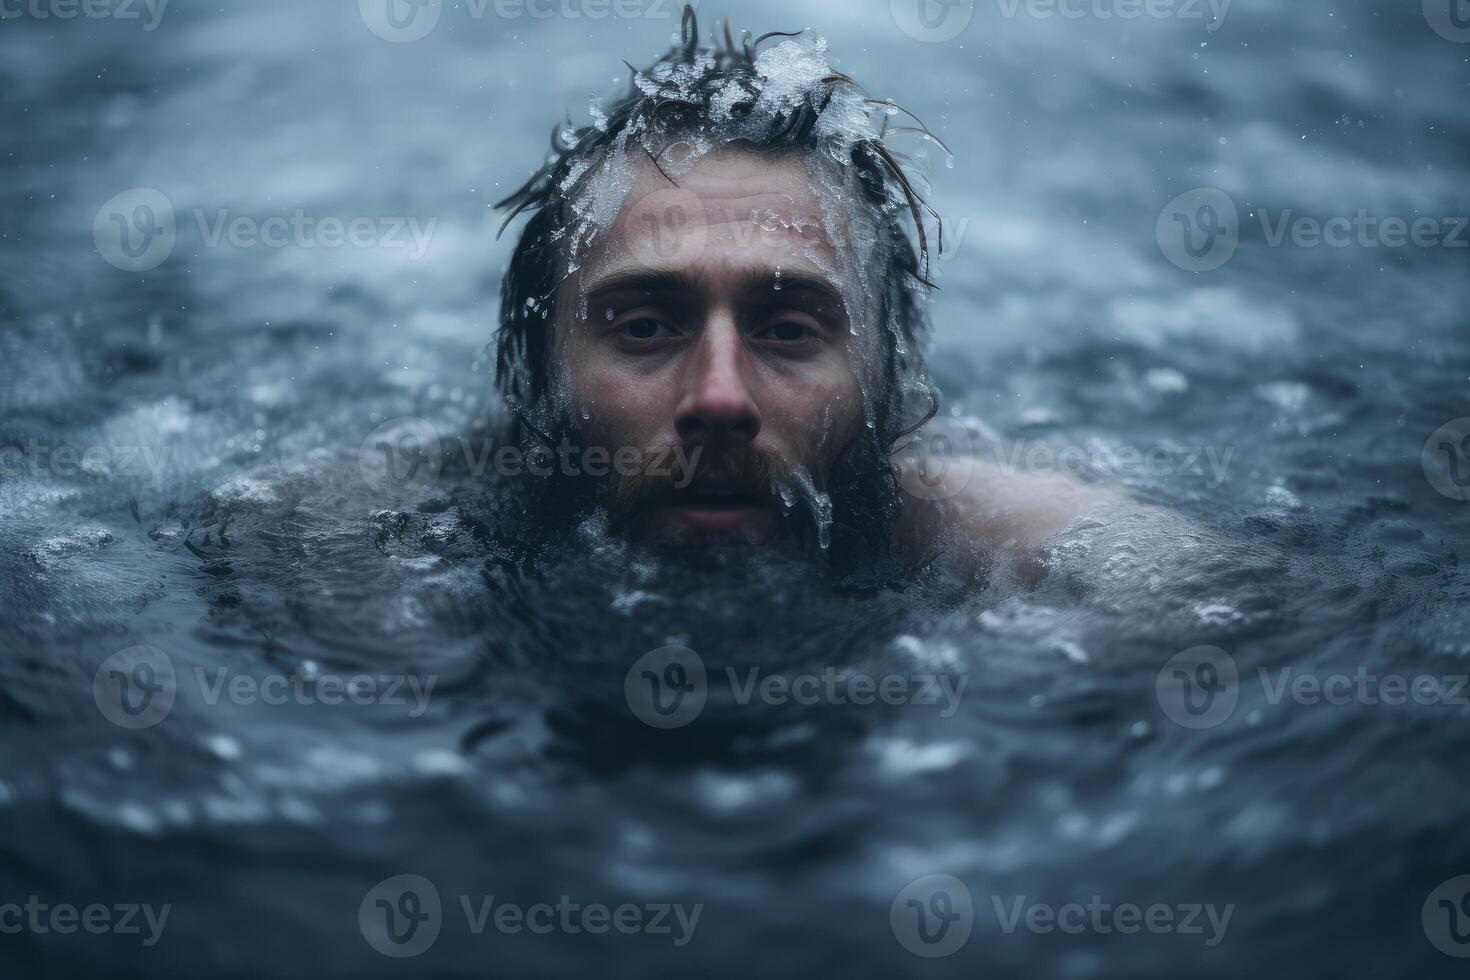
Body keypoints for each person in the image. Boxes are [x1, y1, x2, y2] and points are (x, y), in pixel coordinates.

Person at [489, 8, 1115, 587]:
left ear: (888, 377)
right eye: (645, 328)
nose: (719, 399)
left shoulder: (1003, 534)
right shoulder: (409, 525)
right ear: (541, 367)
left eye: (788, 330)